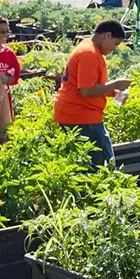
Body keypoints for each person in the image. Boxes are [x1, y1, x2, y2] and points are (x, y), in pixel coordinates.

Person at [53, 19, 131, 168]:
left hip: (78, 114)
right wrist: (115, 84)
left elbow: (90, 86)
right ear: (107, 36)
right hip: (81, 116)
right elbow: (87, 91)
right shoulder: (89, 53)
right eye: (115, 43)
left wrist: (113, 92)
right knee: (104, 166)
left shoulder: (90, 49)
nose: (114, 49)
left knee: (87, 165)